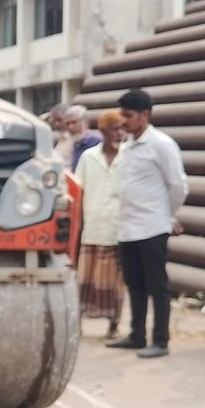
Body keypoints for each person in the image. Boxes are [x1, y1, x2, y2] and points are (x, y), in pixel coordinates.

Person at [107, 89, 188, 359]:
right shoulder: (128, 145)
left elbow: (178, 186)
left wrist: (166, 215)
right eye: (122, 115)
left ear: (145, 115)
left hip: (152, 227)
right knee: (135, 284)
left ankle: (160, 341)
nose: (123, 121)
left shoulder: (162, 145)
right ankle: (137, 335)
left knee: (157, 286)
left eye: (128, 116)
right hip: (128, 227)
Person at [74, 110, 126, 339]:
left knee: (115, 283)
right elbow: (77, 192)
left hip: (117, 228)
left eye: (121, 128)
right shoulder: (88, 158)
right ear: (103, 131)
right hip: (92, 227)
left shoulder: (129, 156)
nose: (119, 133)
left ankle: (113, 326)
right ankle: (76, 324)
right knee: (84, 280)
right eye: (115, 129)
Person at [62, 105, 102, 171]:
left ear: (86, 123)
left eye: (74, 122)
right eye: (67, 124)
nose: (70, 127)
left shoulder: (97, 143)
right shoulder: (72, 143)